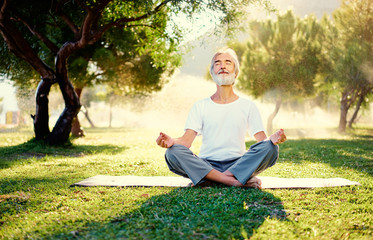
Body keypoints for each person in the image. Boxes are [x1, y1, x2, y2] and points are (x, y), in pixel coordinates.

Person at [156, 47, 286, 189]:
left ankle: (210, 179)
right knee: (172, 153)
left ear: (236, 73)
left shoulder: (248, 106)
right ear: (212, 73)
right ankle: (234, 180)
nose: (222, 66)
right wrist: (171, 141)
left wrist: (273, 140)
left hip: (238, 164)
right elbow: (185, 142)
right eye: (217, 63)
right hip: (206, 164)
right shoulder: (200, 106)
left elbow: (262, 142)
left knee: (271, 149)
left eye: (228, 62)